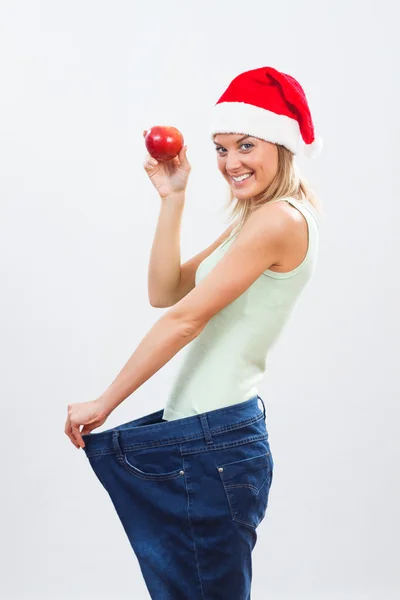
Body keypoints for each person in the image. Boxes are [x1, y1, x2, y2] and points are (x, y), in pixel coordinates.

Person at [65, 66, 322, 599]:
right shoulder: (255, 219)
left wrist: (105, 401)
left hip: (215, 443)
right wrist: (173, 198)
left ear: (280, 143)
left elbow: (185, 320)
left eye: (245, 144)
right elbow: (167, 290)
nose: (231, 163)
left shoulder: (280, 221)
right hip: (203, 438)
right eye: (221, 149)